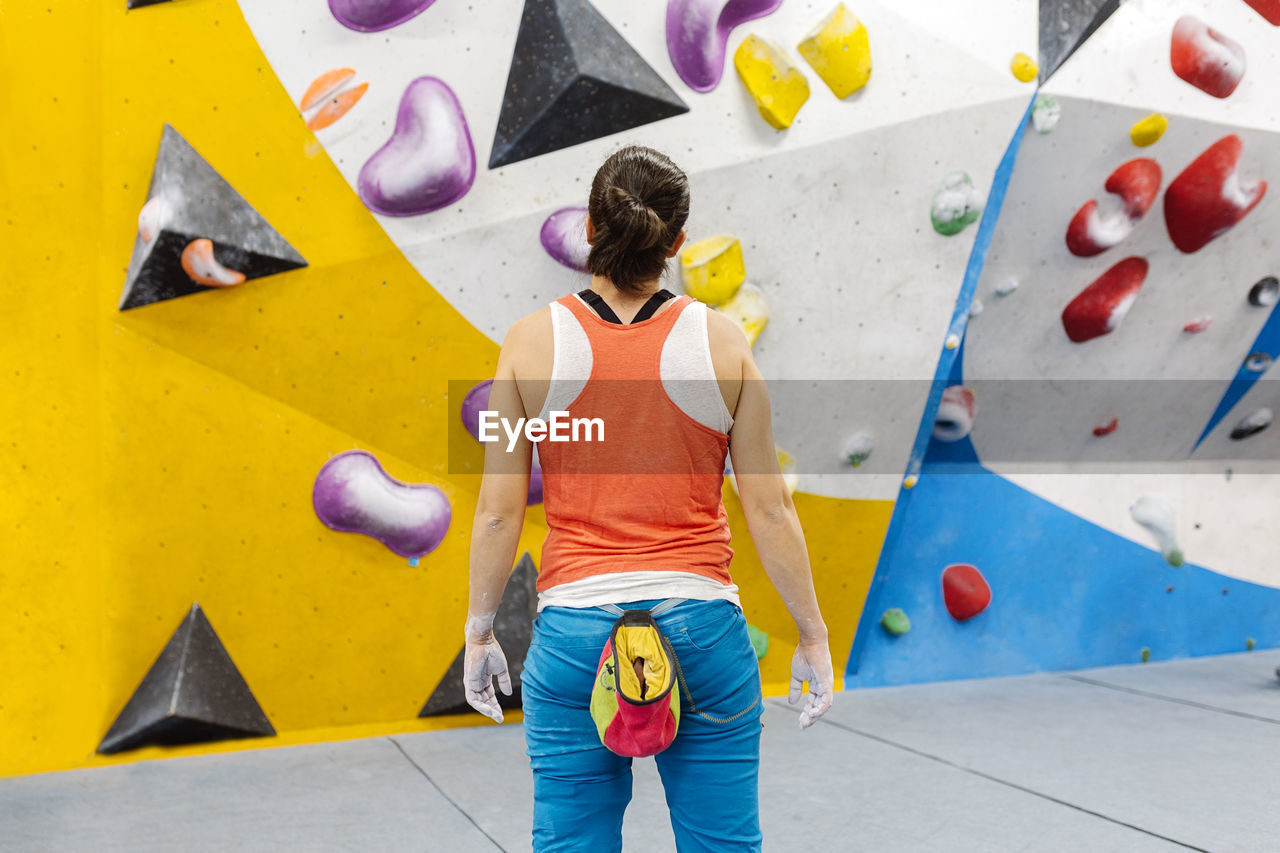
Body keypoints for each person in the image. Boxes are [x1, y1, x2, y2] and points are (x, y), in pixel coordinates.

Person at [462, 145, 834, 853]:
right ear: (678, 243)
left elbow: (499, 510)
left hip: (574, 636)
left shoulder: (528, 345)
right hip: (703, 633)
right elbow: (768, 509)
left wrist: (480, 630)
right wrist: (811, 633)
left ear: (592, 232)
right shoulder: (725, 346)